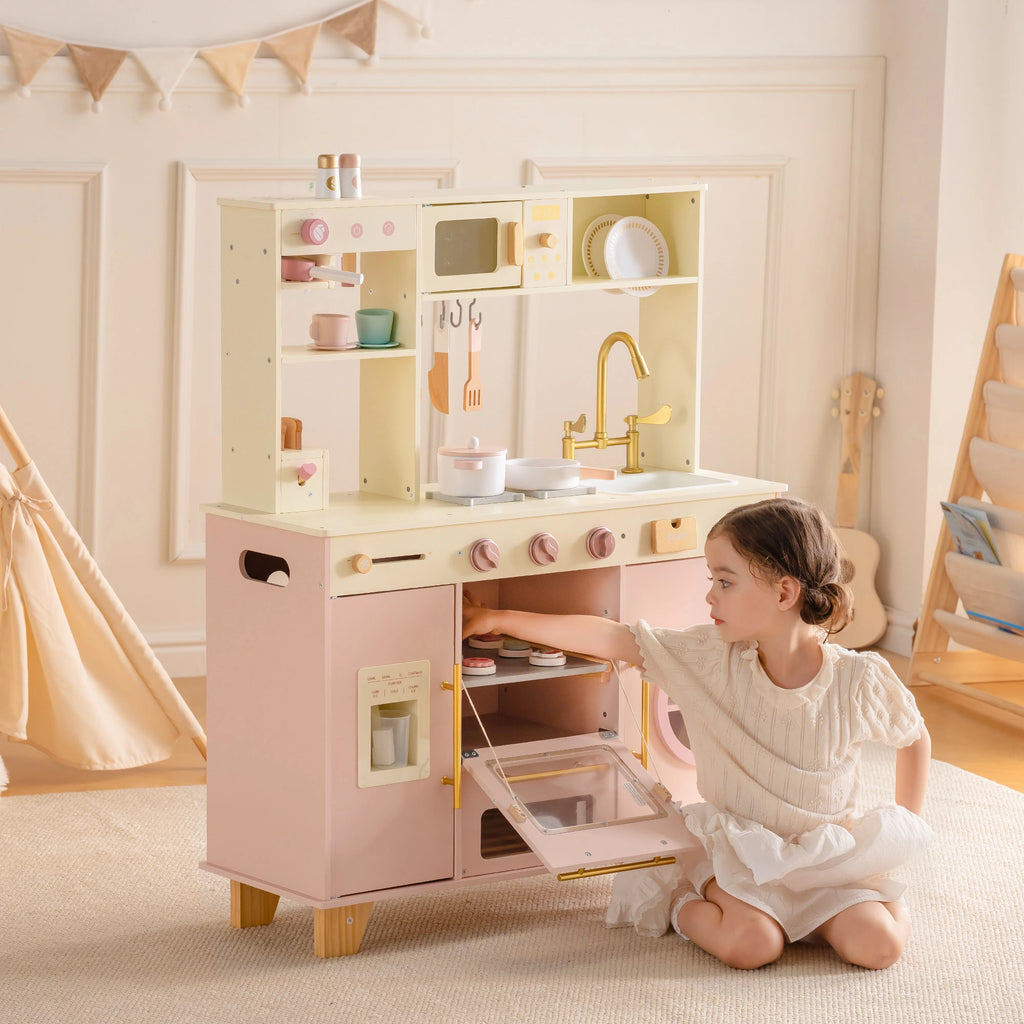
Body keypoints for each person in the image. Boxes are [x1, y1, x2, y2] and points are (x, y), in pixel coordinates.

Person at [462, 497, 933, 971]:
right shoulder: (711, 659)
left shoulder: (858, 677)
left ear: (785, 592)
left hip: (826, 857)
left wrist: (903, 828)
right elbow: (612, 637)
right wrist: (500, 619)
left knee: (879, 947)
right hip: (741, 853)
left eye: (724, 582)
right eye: (712, 580)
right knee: (753, 946)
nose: (710, 596)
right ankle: (680, 898)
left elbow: (913, 736)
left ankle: (872, 900)